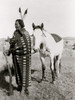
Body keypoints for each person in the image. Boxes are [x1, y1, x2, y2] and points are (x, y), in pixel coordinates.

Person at [7, 19, 31, 95]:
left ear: (21, 24)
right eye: (15, 24)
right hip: (22, 56)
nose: (15, 25)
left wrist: (9, 48)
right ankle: (22, 87)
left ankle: (24, 89)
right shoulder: (25, 32)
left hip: (23, 57)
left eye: (17, 24)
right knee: (20, 72)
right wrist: (10, 50)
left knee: (22, 73)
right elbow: (15, 42)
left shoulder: (20, 32)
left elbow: (13, 42)